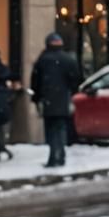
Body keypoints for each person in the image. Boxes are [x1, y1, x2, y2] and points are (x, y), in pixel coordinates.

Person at [31, 31, 82, 167]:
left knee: (51, 130)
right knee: (60, 129)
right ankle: (61, 155)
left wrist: (36, 98)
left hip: (48, 100)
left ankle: (54, 157)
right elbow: (76, 79)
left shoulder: (43, 60)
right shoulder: (68, 59)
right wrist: (71, 94)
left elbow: (35, 81)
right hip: (63, 99)